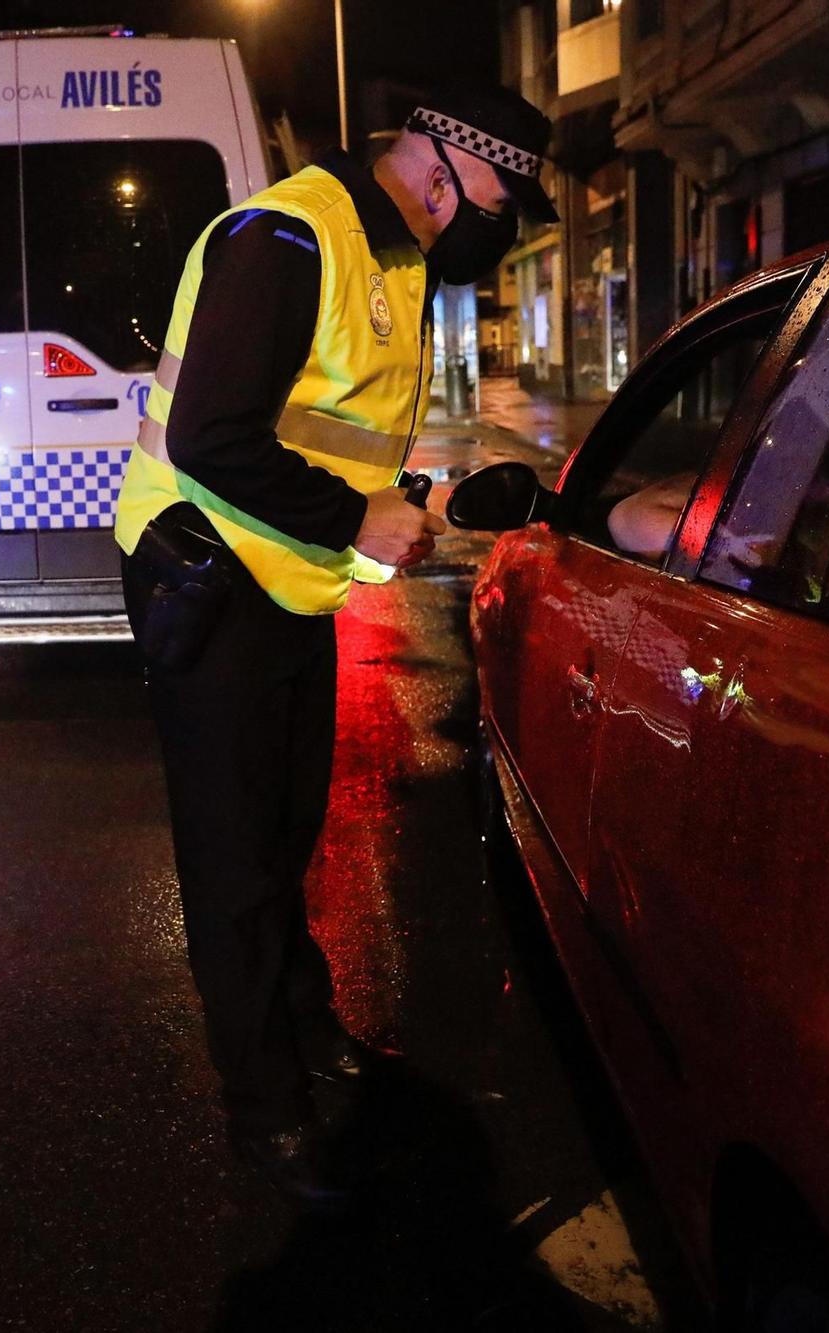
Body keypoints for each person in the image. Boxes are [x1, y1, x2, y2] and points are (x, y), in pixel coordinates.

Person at [112, 87, 557, 1202]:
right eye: (503, 197)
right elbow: (210, 434)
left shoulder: (394, 259)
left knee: (285, 834)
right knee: (231, 861)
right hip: (207, 576)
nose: (503, 225)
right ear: (445, 165)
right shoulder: (285, 238)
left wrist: (422, 496)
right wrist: (356, 520)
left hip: (287, 583)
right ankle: (263, 1112)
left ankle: (303, 1027)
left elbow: (327, 436)